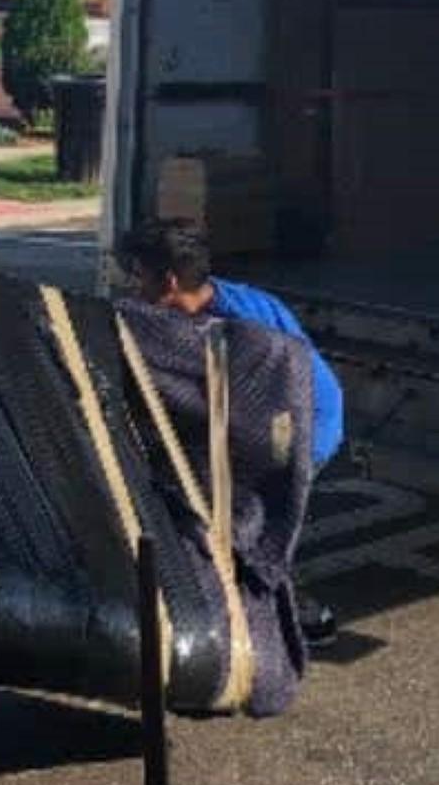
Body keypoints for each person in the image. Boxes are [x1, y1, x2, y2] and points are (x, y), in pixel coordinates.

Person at [117, 218, 343, 641]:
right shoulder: (204, 300)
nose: (134, 287)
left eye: (139, 276)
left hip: (301, 427)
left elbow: (270, 411)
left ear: (168, 281)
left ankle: (296, 618)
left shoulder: (241, 328)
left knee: (254, 526)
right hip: (281, 415)